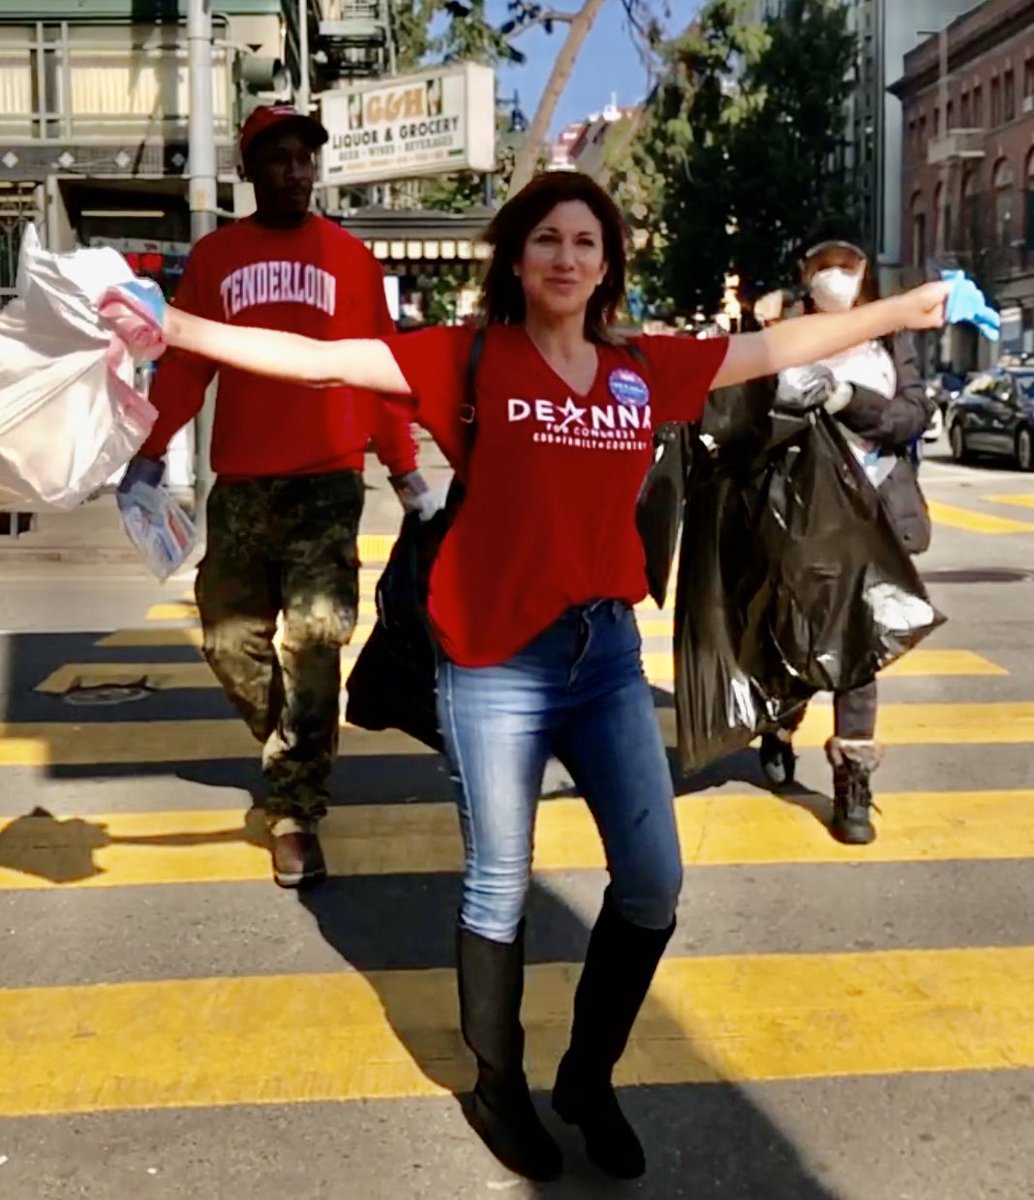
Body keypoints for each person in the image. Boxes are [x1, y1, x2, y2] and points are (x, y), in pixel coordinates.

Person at [102, 172, 950, 1181]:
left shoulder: (640, 366)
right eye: (546, 238)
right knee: (498, 883)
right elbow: (320, 357)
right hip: (495, 661)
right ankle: (496, 1086)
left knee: (653, 881)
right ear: (514, 256)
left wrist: (901, 309)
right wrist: (174, 325)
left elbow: (771, 350)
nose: (565, 257)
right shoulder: (466, 356)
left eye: (585, 242)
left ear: (607, 264)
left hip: (604, 659)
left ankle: (586, 1078)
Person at [118, 104, 428, 890]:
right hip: (243, 486)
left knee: (315, 641)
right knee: (229, 640)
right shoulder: (216, 258)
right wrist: (148, 454)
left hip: (328, 483)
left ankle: (295, 811)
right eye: (279, 158)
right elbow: (187, 368)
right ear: (250, 170)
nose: (296, 172)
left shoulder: (351, 260)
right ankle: (295, 739)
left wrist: (407, 472)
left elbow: (383, 371)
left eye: (305, 158)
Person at [758, 220, 937, 845]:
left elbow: (912, 414)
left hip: (876, 517)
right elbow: (747, 421)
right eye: (824, 265)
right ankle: (780, 722)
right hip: (801, 517)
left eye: (848, 265)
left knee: (860, 649)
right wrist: (774, 373)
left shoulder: (888, 339)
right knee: (801, 640)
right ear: (805, 276)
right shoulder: (784, 334)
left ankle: (853, 781)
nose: (836, 275)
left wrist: (845, 398)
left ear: (865, 276)